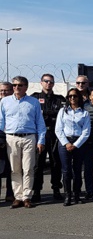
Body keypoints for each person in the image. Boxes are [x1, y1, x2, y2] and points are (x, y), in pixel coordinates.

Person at [0, 76, 46, 208]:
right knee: (15, 169)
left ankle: (27, 197)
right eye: (14, 85)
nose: (16, 88)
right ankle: (17, 196)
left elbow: (40, 122)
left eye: (19, 85)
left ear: (26, 87)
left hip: (29, 137)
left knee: (28, 168)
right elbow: (1, 121)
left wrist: (40, 140)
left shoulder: (34, 102)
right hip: (11, 138)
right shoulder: (5, 102)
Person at [31, 73, 65, 202]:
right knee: (38, 164)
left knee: (55, 163)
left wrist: (46, 114)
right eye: (46, 81)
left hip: (54, 134)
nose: (48, 83)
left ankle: (56, 189)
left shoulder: (59, 99)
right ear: (41, 83)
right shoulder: (34, 98)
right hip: (39, 134)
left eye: (51, 81)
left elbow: (61, 116)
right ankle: (36, 191)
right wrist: (49, 114)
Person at [55, 88, 91, 206]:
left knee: (77, 170)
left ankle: (76, 195)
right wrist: (67, 143)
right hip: (64, 141)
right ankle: (67, 196)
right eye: (70, 96)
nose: (72, 98)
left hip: (79, 143)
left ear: (79, 98)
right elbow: (58, 129)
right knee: (66, 171)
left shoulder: (84, 113)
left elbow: (86, 132)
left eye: (75, 96)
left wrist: (75, 145)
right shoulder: (62, 111)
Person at [0, 82, 14, 202]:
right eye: (2, 90)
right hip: (0, 140)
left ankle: (10, 193)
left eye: (6, 90)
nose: (4, 92)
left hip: (12, 139)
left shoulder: (14, 104)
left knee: (11, 168)